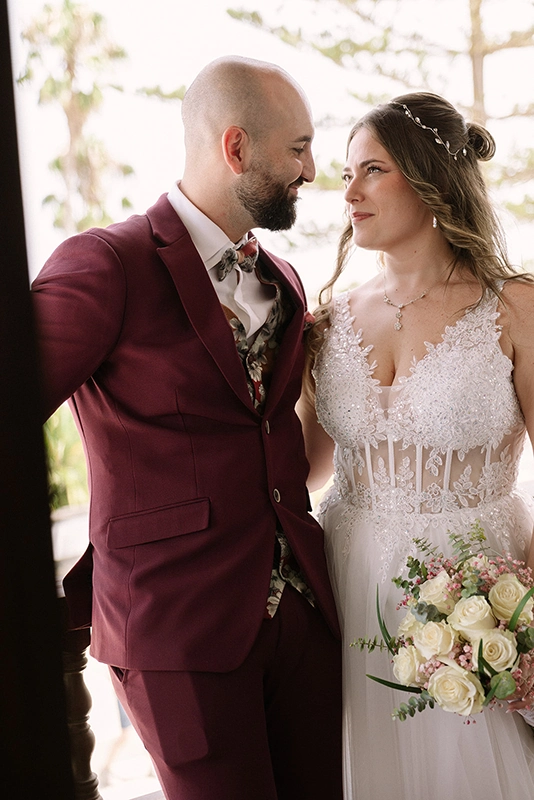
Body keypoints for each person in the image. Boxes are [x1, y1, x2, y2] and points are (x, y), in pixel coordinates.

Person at [31, 55, 342, 800]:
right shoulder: (107, 264)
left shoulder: (286, 281)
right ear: (236, 149)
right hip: (176, 628)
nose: (311, 168)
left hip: (300, 619)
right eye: (297, 149)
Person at [298, 92, 534, 800]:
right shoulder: (328, 316)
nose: (350, 191)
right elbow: (307, 465)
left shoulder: (514, 305)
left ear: (430, 176)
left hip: (479, 596)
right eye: (345, 174)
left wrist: (524, 616)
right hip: (346, 580)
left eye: (372, 170)